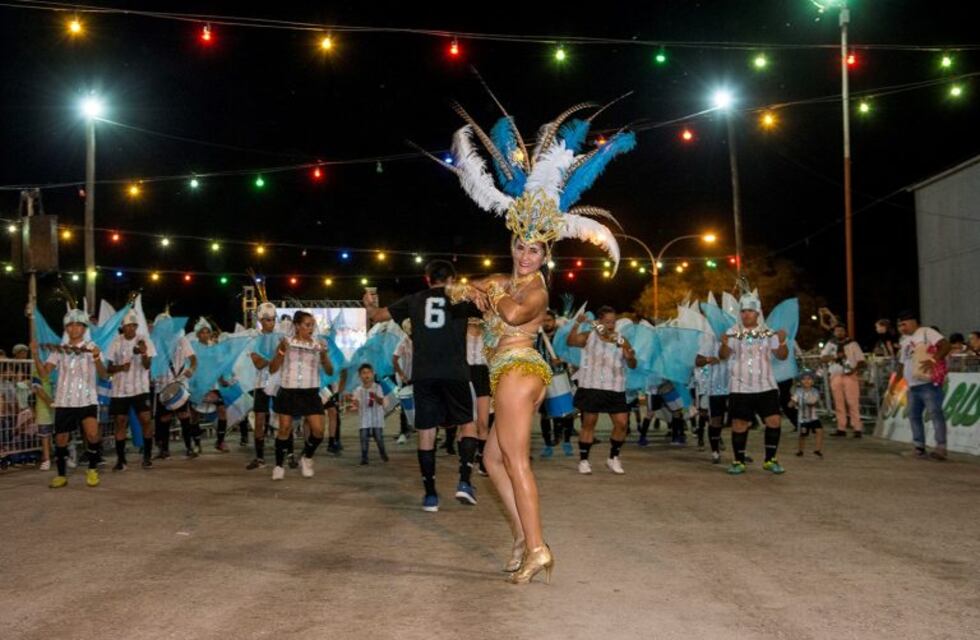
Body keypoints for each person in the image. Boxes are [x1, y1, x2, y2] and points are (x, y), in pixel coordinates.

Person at [364, 260, 481, 511]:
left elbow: (377, 316)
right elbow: (490, 311)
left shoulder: (414, 299)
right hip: (455, 371)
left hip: (425, 373)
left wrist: (369, 303)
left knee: (426, 432)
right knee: (467, 424)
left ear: (428, 279)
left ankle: (430, 495)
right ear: (452, 279)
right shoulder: (460, 299)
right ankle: (464, 481)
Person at [31, 308, 109, 488]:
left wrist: (97, 358)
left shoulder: (92, 347)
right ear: (66, 328)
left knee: (92, 434)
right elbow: (44, 373)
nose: (74, 329)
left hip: (87, 399)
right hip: (64, 401)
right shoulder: (59, 350)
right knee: (61, 439)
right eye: (70, 325)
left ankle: (92, 469)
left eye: (78, 325)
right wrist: (35, 355)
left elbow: (103, 375)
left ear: (84, 328)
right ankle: (61, 475)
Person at [719, 293, 790, 475]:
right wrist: (724, 344)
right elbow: (723, 356)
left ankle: (770, 460)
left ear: (758, 313)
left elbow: (782, 356)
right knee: (739, 423)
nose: (746, 314)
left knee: (774, 421)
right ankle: (738, 461)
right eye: (743, 311)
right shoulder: (732, 332)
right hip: (740, 386)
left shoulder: (768, 332)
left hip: (766, 384)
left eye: (750, 311)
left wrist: (782, 341)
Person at [566, 306, 638, 475]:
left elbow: (633, 364)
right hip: (592, 385)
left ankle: (613, 458)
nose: (611, 325)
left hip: (615, 386)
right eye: (607, 322)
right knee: (589, 423)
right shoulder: (589, 336)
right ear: (599, 322)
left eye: (613, 322)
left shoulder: (621, 340)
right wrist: (576, 324)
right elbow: (570, 342)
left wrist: (630, 358)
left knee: (622, 424)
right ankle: (584, 461)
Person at [268, 310, 334, 480]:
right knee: (284, 429)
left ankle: (307, 457)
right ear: (297, 326)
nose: (311, 328)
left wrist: (324, 356)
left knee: (319, 431)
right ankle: (278, 466)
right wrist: (281, 351)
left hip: (310, 392)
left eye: (312, 325)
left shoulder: (319, 345)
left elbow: (329, 371)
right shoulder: (286, 342)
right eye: (307, 325)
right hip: (288, 391)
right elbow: (272, 368)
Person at [894, 310, 950, 460]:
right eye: (899, 326)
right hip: (912, 386)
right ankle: (919, 448)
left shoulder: (926, 332)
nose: (902, 328)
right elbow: (902, 362)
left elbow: (945, 345)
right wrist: (895, 382)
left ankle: (941, 448)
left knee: (935, 413)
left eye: (904, 324)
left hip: (928, 383)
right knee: (914, 416)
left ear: (913, 322)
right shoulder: (905, 340)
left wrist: (933, 360)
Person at [106, 310, 157, 470]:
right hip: (119, 389)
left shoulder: (144, 340)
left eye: (133, 325)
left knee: (146, 420)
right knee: (120, 422)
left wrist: (143, 353)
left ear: (136, 326)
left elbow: (147, 366)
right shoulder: (115, 342)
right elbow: (109, 368)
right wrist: (121, 367)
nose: (130, 328)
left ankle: (147, 456)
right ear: (123, 327)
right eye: (127, 326)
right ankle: (121, 460)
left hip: (140, 388)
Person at [152, 313, 197, 459]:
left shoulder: (181, 339)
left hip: (180, 383)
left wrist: (191, 369)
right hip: (162, 385)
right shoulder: (154, 343)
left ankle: (189, 447)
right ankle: (164, 450)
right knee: (164, 418)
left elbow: (193, 358)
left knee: (184, 416)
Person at [245, 302, 280, 470]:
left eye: (273, 319)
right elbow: (258, 364)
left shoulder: (280, 337)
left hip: (279, 383)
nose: (271, 323)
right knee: (259, 420)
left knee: (284, 418)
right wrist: (276, 356)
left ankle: (288, 455)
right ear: (260, 320)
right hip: (260, 383)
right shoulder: (254, 339)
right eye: (267, 319)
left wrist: (275, 357)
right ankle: (259, 457)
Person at [536, 310, 575, 458]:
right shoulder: (537, 339)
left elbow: (573, 354)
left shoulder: (562, 337)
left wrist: (561, 360)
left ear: (554, 321)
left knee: (567, 413)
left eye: (549, 320)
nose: (546, 323)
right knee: (545, 414)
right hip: (543, 379)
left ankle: (567, 442)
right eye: (544, 321)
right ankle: (547, 445)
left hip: (562, 377)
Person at [821, 324, 866, 438]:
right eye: (837, 331)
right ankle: (841, 428)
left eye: (841, 330)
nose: (839, 332)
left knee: (853, 402)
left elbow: (861, 360)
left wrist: (854, 370)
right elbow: (823, 358)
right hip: (835, 375)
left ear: (845, 332)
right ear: (834, 332)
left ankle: (857, 428)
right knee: (838, 402)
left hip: (850, 376)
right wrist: (835, 356)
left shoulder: (852, 344)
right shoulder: (830, 344)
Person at [347, 364, 390, 465]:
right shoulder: (358, 390)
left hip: (376, 418)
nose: (366, 375)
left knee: (379, 437)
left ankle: (382, 452)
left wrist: (376, 396)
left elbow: (381, 402)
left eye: (368, 372)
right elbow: (356, 403)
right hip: (364, 418)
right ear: (360, 376)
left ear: (372, 374)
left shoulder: (378, 387)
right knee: (363, 438)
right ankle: (364, 457)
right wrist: (352, 401)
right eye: (363, 373)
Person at [467, 318, 493, 469]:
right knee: (467, 422)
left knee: (484, 422)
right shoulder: (460, 331)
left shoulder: (489, 332)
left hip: (483, 374)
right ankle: (466, 461)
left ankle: (483, 459)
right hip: (465, 374)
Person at [791, 370, 824, 458]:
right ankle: (800, 450)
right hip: (803, 418)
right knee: (803, 435)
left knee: (819, 431)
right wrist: (792, 403)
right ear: (801, 381)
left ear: (813, 381)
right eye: (804, 379)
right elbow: (793, 401)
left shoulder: (815, 391)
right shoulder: (798, 391)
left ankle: (817, 450)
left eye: (809, 379)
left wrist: (813, 402)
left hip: (813, 417)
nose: (807, 381)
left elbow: (815, 401)